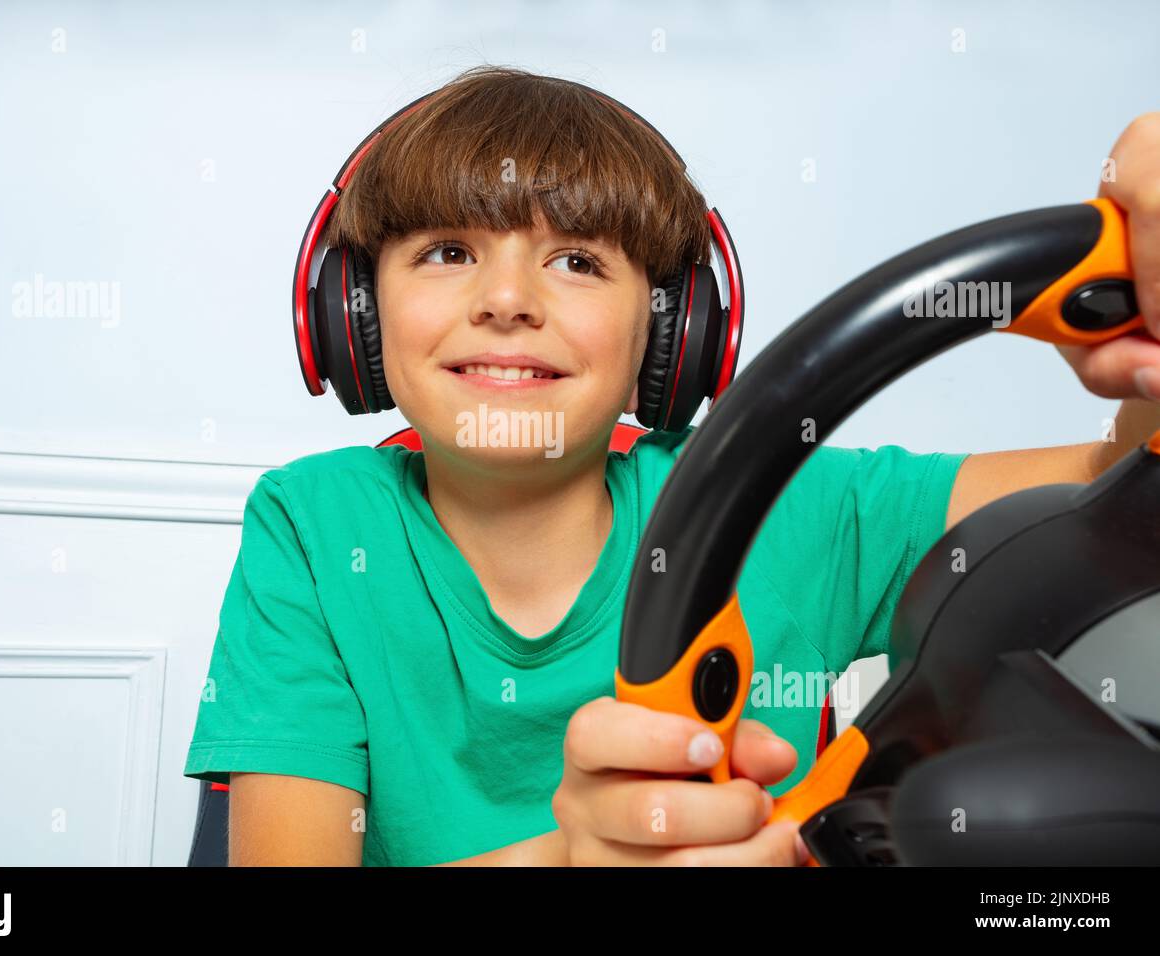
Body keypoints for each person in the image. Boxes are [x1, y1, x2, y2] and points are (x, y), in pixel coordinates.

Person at [184, 65, 1160, 866]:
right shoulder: (312, 525)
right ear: (354, 311)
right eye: (447, 250)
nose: (508, 300)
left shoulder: (784, 492)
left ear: (671, 335)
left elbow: (1122, 483)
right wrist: (569, 858)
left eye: (577, 261)